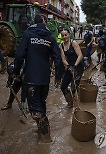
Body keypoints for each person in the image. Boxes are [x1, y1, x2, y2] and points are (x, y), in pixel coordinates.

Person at [13, 14, 61, 142]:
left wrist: (16, 73)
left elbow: (19, 56)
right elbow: (58, 59)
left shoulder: (28, 35)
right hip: (44, 78)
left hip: (31, 78)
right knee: (41, 103)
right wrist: (58, 77)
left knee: (35, 108)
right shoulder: (50, 37)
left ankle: (45, 138)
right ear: (45, 22)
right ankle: (42, 130)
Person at [60, 29, 84, 107]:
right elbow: (63, 59)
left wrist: (75, 66)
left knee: (74, 87)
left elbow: (80, 55)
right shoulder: (61, 46)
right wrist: (68, 66)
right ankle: (70, 102)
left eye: (66, 35)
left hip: (78, 66)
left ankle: (77, 104)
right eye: (62, 35)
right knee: (63, 86)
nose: (64, 37)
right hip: (69, 66)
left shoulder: (73, 43)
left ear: (69, 35)